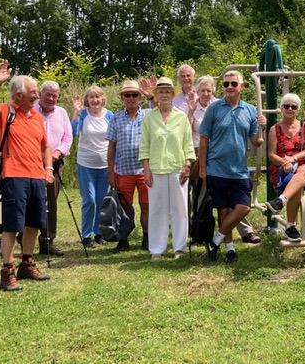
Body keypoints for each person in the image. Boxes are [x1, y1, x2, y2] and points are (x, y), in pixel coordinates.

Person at [0, 59, 53, 291]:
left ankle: (27, 264)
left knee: (34, 223)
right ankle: (7, 271)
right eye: (33, 92)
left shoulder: (37, 118)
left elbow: (45, 147)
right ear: (18, 95)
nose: (36, 95)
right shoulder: (5, 112)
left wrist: (48, 168)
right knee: (12, 226)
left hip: (37, 177)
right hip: (13, 176)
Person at [185, 70, 261, 245]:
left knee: (243, 207)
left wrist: (261, 126)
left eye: (234, 84)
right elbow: (203, 139)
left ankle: (215, 239)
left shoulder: (250, 110)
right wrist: (203, 168)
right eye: (226, 84)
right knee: (223, 211)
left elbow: (256, 142)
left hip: (239, 169)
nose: (230, 87)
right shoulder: (215, 108)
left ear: (241, 86)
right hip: (217, 168)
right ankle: (229, 249)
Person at [140, 77, 196, 260]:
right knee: (157, 210)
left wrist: (187, 165)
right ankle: (157, 249)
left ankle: (179, 248)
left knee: (180, 209)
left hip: (177, 168)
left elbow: (188, 144)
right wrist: (146, 170)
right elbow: (144, 146)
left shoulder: (181, 117)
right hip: (156, 169)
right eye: (160, 92)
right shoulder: (149, 118)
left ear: (173, 95)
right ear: (155, 96)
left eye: (167, 92)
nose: (164, 95)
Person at [105, 79, 153, 252]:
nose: (131, 98)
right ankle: (123, 238)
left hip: (144, 170)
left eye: (135, 95)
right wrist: (111, 172)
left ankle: (147, 237)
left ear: (140, 97)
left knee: (146, 205)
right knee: (124, 207)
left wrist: (151, 94)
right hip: (123, 171)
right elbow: (111, 148)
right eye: (128, 95)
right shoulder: (115, 118)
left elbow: (163, 107)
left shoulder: (148, 115)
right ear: (122, 97)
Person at [264, 93, 305, 242]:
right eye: (286, 106)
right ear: (281, 108)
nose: (289, 109)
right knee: (296, 184)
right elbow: (271, 154)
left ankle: (281, 200)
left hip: (304, 164)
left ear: (298, 109)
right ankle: (290, 226)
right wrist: (284, 162)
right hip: (282, 167)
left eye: (293, 106)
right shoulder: (275, 129)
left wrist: (293, 158)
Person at [71, 86, 114, 248]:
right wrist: (75, 112)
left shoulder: (109, 115)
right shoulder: (83, 114)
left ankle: (99, 233)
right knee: (89, 200)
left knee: (101, 200)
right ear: (86, 100)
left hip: (104, 165)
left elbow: (114, 138)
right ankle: (86, 235)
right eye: (91, 97)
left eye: (97, 97)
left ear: (102, 98)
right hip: (86, 164)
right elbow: (73, 132)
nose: (95, 100)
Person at [35, 80, 73, 256]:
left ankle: (47, 241)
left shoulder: (62, 113)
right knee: (31, 201)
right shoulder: (31, 110)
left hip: (55, 162)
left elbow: (68, 138)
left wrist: (57, 153)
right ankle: (22, 238)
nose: (51, 98)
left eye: (54, 96)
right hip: (32, 162)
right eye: (48, 94)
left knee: (51, 203)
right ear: (40, 94)